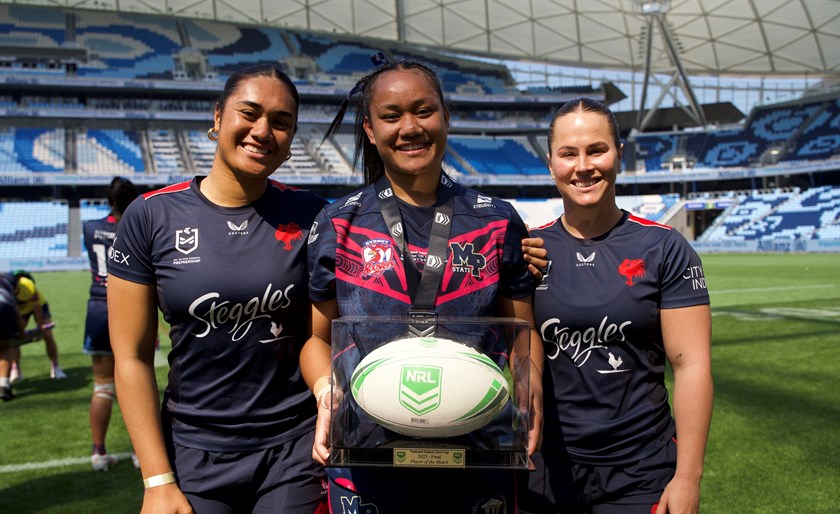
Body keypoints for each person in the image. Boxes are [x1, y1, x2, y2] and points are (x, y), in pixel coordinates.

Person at [301, 58, 545, 514]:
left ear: (446, 117)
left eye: (424, 110)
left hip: (478, 452)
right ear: (371, 131)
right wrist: (325, 393)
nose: (410, 128)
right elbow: (316, 337)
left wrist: (533, 392)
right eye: (391, 116)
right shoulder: (338, 223)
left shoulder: (496, 220)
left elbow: (523, 332)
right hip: (366, 455)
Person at [107, 64, 328, 513]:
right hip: (194, 450)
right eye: (249, 113)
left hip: (293, 449)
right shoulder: (150, 216)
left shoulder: (314, 215)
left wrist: (514, 249)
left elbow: (323, 328)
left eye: (281, 122)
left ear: (291, 140)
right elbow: (130, 357)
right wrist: (156, 480)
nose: (262, 131)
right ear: (217, 118)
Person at [524, 97, 713, 514]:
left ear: (619, 155)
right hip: (545, 469)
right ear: (550, 163)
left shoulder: (664, 247)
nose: (583, 166)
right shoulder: (529, 250)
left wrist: (687, 477)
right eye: (568, 154)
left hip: (642, 470)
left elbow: (691, 365)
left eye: (597, 150)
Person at [82, 176, 141, 471]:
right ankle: (139, 453)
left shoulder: (90, 227)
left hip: (97, 306)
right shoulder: (138, 226)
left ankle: (98, 453)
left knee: (102, 386)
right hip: (130, 307)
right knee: (138, 377)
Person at [10, 270, 66, 381]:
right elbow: (14, 314)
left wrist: (40, 327)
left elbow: (36, 306)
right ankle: (16, 370)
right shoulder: (4, 291)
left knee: (48, 335)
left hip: (39, 306)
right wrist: (20, 332)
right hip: (20, 311)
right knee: (13, 339)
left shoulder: (26, 284)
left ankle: (55, 367)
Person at [1, 273, 17, 401]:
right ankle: (4, 385)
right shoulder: (7, 285)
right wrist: (21, 331)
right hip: (5, 309)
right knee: (4, 349)